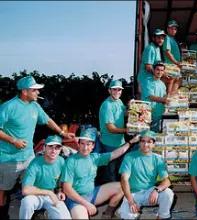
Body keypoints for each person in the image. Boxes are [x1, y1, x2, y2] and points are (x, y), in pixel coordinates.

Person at [0, 75, 74, 219]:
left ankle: (36, 213)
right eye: (35, 90)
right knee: (3, 191)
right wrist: (13, 140)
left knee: (34, 188)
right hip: (8, 159)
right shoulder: (8, 107)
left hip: (29, 157)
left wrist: (61, 133)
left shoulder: (34, 106)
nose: (38, 93)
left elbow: (47, 120)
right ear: (25, 91)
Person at [61, 128, 140, 219]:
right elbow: (67, 189)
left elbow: (115, 153)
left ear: (93, 146)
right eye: (82, 143)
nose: (85, 147)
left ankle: (107, 214)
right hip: (75, 199)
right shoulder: (71, 161)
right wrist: (87, 204)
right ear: (78, 144)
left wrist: (131, 142)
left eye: (88, 144)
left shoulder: (95, 158)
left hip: (92, 194)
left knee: (122, 186)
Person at [118, 130, 174, 219]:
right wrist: (131, 201)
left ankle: (162, 216)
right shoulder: (130, 157)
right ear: (139, 143)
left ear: (154, 144)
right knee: (127, 216)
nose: (145, 144)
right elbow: (124, 179)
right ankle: (125, 210)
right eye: (143, 141)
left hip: (150, 192)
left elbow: (167, 181)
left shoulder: (157, 159)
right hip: (133, 194)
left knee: (168, 193)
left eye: (149, 142)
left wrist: (157, 190)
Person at [19, 135, 71, 219]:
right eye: (50, 147)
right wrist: (49, 193)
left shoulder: (61, 161)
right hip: (35, 194)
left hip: (53, 195)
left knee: (65, 217)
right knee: (27, 202)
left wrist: (60, 191)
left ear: (60, 149)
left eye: (57, 147)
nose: (54, 151)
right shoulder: (35, 163)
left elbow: (61, 181)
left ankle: (47, 214)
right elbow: (25, 190)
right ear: (44, 148)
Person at [98, 79, 127, 183]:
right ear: (109, 90)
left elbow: (125, 112)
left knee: (119, 171)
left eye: (119, 90)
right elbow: (111, 128)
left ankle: (118, 195)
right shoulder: (107, 105)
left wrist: (134, 107)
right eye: (114, 89)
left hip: (120, 142)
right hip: (109, 144)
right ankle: (108, 196)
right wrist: (128, 130)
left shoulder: (119, 101)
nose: (117, 92)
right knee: (110, 174)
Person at [137, 29, 166, 98]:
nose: (161, 40)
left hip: (151, 79)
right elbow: (148, 67)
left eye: (162, 38)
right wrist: (161, 75)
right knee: (145, 103)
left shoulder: (157, 48)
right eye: (158, 38)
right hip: (145, 80)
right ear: (153, 38)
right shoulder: (150, 48)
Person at [141, 62, 169, 132]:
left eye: (162, 70)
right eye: (158, 70)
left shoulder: (162, 84)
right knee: (145, 135)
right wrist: (165, 100)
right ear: (153, 70)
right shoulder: (147, 81)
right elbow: (151, 97)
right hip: (148, 114)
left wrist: (171, 99)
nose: (160, 72)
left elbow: (164, 96)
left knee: (154, 136)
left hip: (158, 114)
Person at [163, 19, 182, 96]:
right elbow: (167, 52)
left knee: (177, 81)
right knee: (170, 87)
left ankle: (171, 102)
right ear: (167, 29)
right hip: (170, 66)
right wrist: (176, 62)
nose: (174, 30)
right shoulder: (167, 38)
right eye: (171, 28)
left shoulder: (174, 40)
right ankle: (168, 101)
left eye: (175, 28)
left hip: (175, 66)